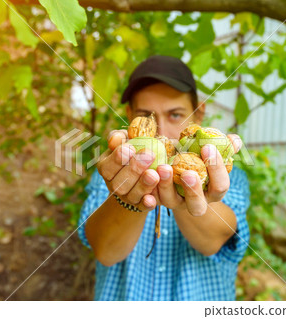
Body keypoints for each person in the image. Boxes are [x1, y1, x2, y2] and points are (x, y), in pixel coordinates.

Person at [78, 55, 250, 301]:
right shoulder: (112, 172)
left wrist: (187, 193)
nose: (161, 131)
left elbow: (216, 239)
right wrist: (128, 200)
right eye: (146, 116)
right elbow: (104, 251)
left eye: (175, 115)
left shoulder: (226, 172)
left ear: (198, 115)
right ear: (129, 116)